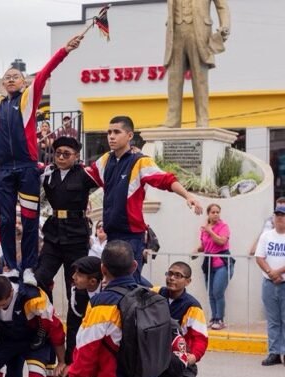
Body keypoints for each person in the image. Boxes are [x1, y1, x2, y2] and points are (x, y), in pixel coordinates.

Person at [0, 34, 83, 280]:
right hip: (5, 169)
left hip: (27, 168)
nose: (10, 79)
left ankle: (28, 267)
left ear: (24, 82)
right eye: (6, 77)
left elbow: (46, 71)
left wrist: (64, 50)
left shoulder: (30, 96)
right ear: (1, 84)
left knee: (29, 219)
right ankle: (11, 266)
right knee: (6, 220)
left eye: (15, 76)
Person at [84, 116, 203, 285]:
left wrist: (188, 196)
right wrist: (85, 197)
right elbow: (86, 178)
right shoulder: (105, 160)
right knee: (115, 282)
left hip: (132, 236)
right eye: (109, 132)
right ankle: (153, 294)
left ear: (130, 135)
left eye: (117, 132)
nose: (111, 136)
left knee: (129, 283)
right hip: (112, 234)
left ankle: (155, 296)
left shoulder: (140, 161)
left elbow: (165, 179)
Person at [67, 240, 156, 377]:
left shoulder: (102, 303)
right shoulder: (149, 296)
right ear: (134, 266)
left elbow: (86, 349)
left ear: (103, 269)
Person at [35, 136, 97, 301]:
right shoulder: (48, 173)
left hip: (76, 234)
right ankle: (48, 314)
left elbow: (106, 178)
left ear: (76, 156)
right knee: (40, 277)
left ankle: (75, 318)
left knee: (76, 285)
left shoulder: (84, 174)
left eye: (66, 154)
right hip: (54, 234)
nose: (61, 157)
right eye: (58, 153)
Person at [163, 0, 231, 128]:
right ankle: (172, 120)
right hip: (175, 33)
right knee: (174, 80)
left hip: (200, 33)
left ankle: (202, 119)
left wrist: (225, 25)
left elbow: (222, 6)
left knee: (200, 80)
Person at [156, 261, 209, 377]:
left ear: (188, 281)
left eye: (178, 275)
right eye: (170, 274)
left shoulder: (193, 307)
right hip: (155, 358)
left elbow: (200, 339)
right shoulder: (155, 294)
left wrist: (192, 358)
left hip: (178, 362)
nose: (172, 278)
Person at [255, 205, 285, 367]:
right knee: (273, 320)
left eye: (283, 215)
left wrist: (277, 272)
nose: (280, 217)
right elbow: (259, 257)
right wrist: (270, 272)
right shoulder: (266, 236)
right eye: (277, 214)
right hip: (269, 283)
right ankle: (274, 352)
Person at [195, 203, 231, 330]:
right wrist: (196, 251)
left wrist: (209, 231)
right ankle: (214, 318)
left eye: (217, 212)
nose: (216, 214)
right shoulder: (204, 229)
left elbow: (221, 241)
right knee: (210, 293)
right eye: (213, 212)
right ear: (208, 214)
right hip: (209, 263)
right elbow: (204, 245)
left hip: (221, 263)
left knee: (217, 292)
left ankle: (220, 319)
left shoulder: (224, 226)